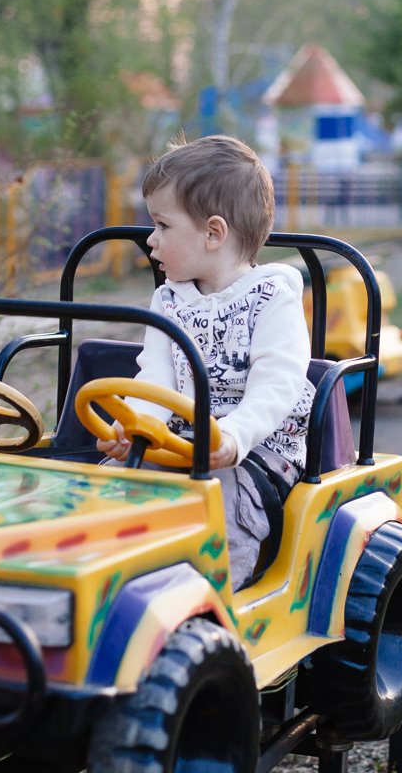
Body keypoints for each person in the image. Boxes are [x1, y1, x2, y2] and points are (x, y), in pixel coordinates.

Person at [97, 135, 315, 589]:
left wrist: (235, 436)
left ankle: (211, 614)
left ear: (213, 233)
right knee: (111, 485)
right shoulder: (168, 299)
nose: (151, 241)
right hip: (181, 439)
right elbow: (157, 377)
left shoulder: (272, 296)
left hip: (256, 449)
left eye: (162, 225)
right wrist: (136, 426)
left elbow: (278, 383)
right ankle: (112, 591)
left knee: (221, 501)